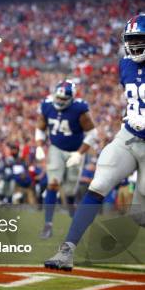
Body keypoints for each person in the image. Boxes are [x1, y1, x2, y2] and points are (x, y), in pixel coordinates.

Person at [45, 14, 145, 271]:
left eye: (140, 40)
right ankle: (67, 249)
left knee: (138, 213)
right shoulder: (126, 65)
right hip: (129, 134)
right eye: (131, 40)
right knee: (99, 183)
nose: (135, 46)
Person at [35, 80, 97, 239]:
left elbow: (92, 134)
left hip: (75, 151)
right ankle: (48, 225)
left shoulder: (80, 109)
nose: (60, 101)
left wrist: (80, 153)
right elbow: (40, 128)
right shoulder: (47, 105)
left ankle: (71, 209)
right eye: (58, 97)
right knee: (53, 183)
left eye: (64, 99)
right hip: (56, 148)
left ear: (71, 98)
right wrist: (40, 146)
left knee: (69, 190)